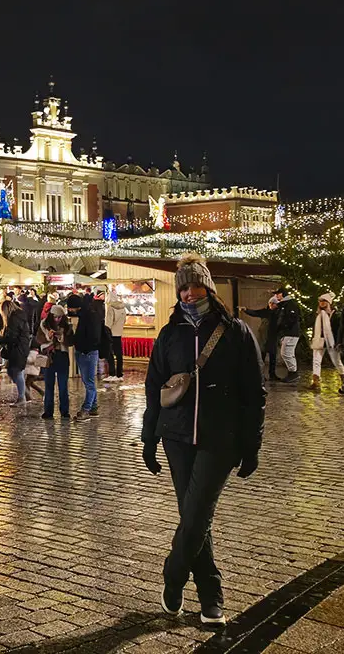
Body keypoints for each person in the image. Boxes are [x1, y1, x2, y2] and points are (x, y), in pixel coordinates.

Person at [142, 254, 265, 627]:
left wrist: (251, 443)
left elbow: (254, 392)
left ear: (209, 288)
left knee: (197, 516)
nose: (190, 293)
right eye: (184, 287)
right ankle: (211, 596)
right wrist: (149, 439)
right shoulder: (170, 333)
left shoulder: (235, 332)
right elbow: (153, 389)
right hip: (177, 437)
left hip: (219, 437)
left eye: (196, 286)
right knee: (193, 519)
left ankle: (173, 578)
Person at [241, 288, 300, 384]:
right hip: (265, 339)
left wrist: (282, 328)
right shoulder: (270, 311)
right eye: (271, 303)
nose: (272, 305)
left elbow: (290, 319)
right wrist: (246, 310)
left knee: (281, 355)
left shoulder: (284, 307)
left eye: (277, 295)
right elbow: (257, 313)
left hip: (275, 338)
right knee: (265, 357)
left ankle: (288, 374)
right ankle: (262, 375)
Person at [68, 290, 104, 419]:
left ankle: (86, 409)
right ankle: (93, 407)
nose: (70, 310)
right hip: (85, 351)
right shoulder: (85, 314)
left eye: (71, 308)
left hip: (87, 352)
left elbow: (92, 336)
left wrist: (81, 344)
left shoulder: (89, 316)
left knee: (88, 382)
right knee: (88, 381)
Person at [39, 305, 72, 419]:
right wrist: (48, 337)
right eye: (55, 317)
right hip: (49, 357)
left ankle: (64, 411)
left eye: (60, 317)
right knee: (49, 386)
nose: (57, 319)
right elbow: (38, 340)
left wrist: (61, 337)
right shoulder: (43, 324)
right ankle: (48, 411)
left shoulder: (66, 326)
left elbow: (70, 341)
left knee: (63, 386)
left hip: (62, 356)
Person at [0, 298, 34, 405]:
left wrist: (1, 340)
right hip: (21, 347)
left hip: (18, 348)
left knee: (16, 372)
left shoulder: (14, 319)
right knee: (16, 371)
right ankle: (24, 394)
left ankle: (22, 397)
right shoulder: (20, 316)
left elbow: (12, 336)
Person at [309, 292, 343, 390]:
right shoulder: (317, 314)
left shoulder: (335, 314)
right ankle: (315, 382)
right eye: (320, 301)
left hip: (332, 341)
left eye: (324, 301)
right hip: (319, 340)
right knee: (316, 360)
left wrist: (338, 341)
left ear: (328, 302)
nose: (321, 303)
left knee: (337, 361)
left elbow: (338, 329)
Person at [105, 287, 127, 381]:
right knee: (119, 354)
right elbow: (124, 320)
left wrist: (106, 330)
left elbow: (108, 322)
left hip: (111, 333)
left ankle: (112, 373)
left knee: (110, 354)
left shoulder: (111, 308)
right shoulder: (123, 308)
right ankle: (120, 374)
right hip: (119, 333)